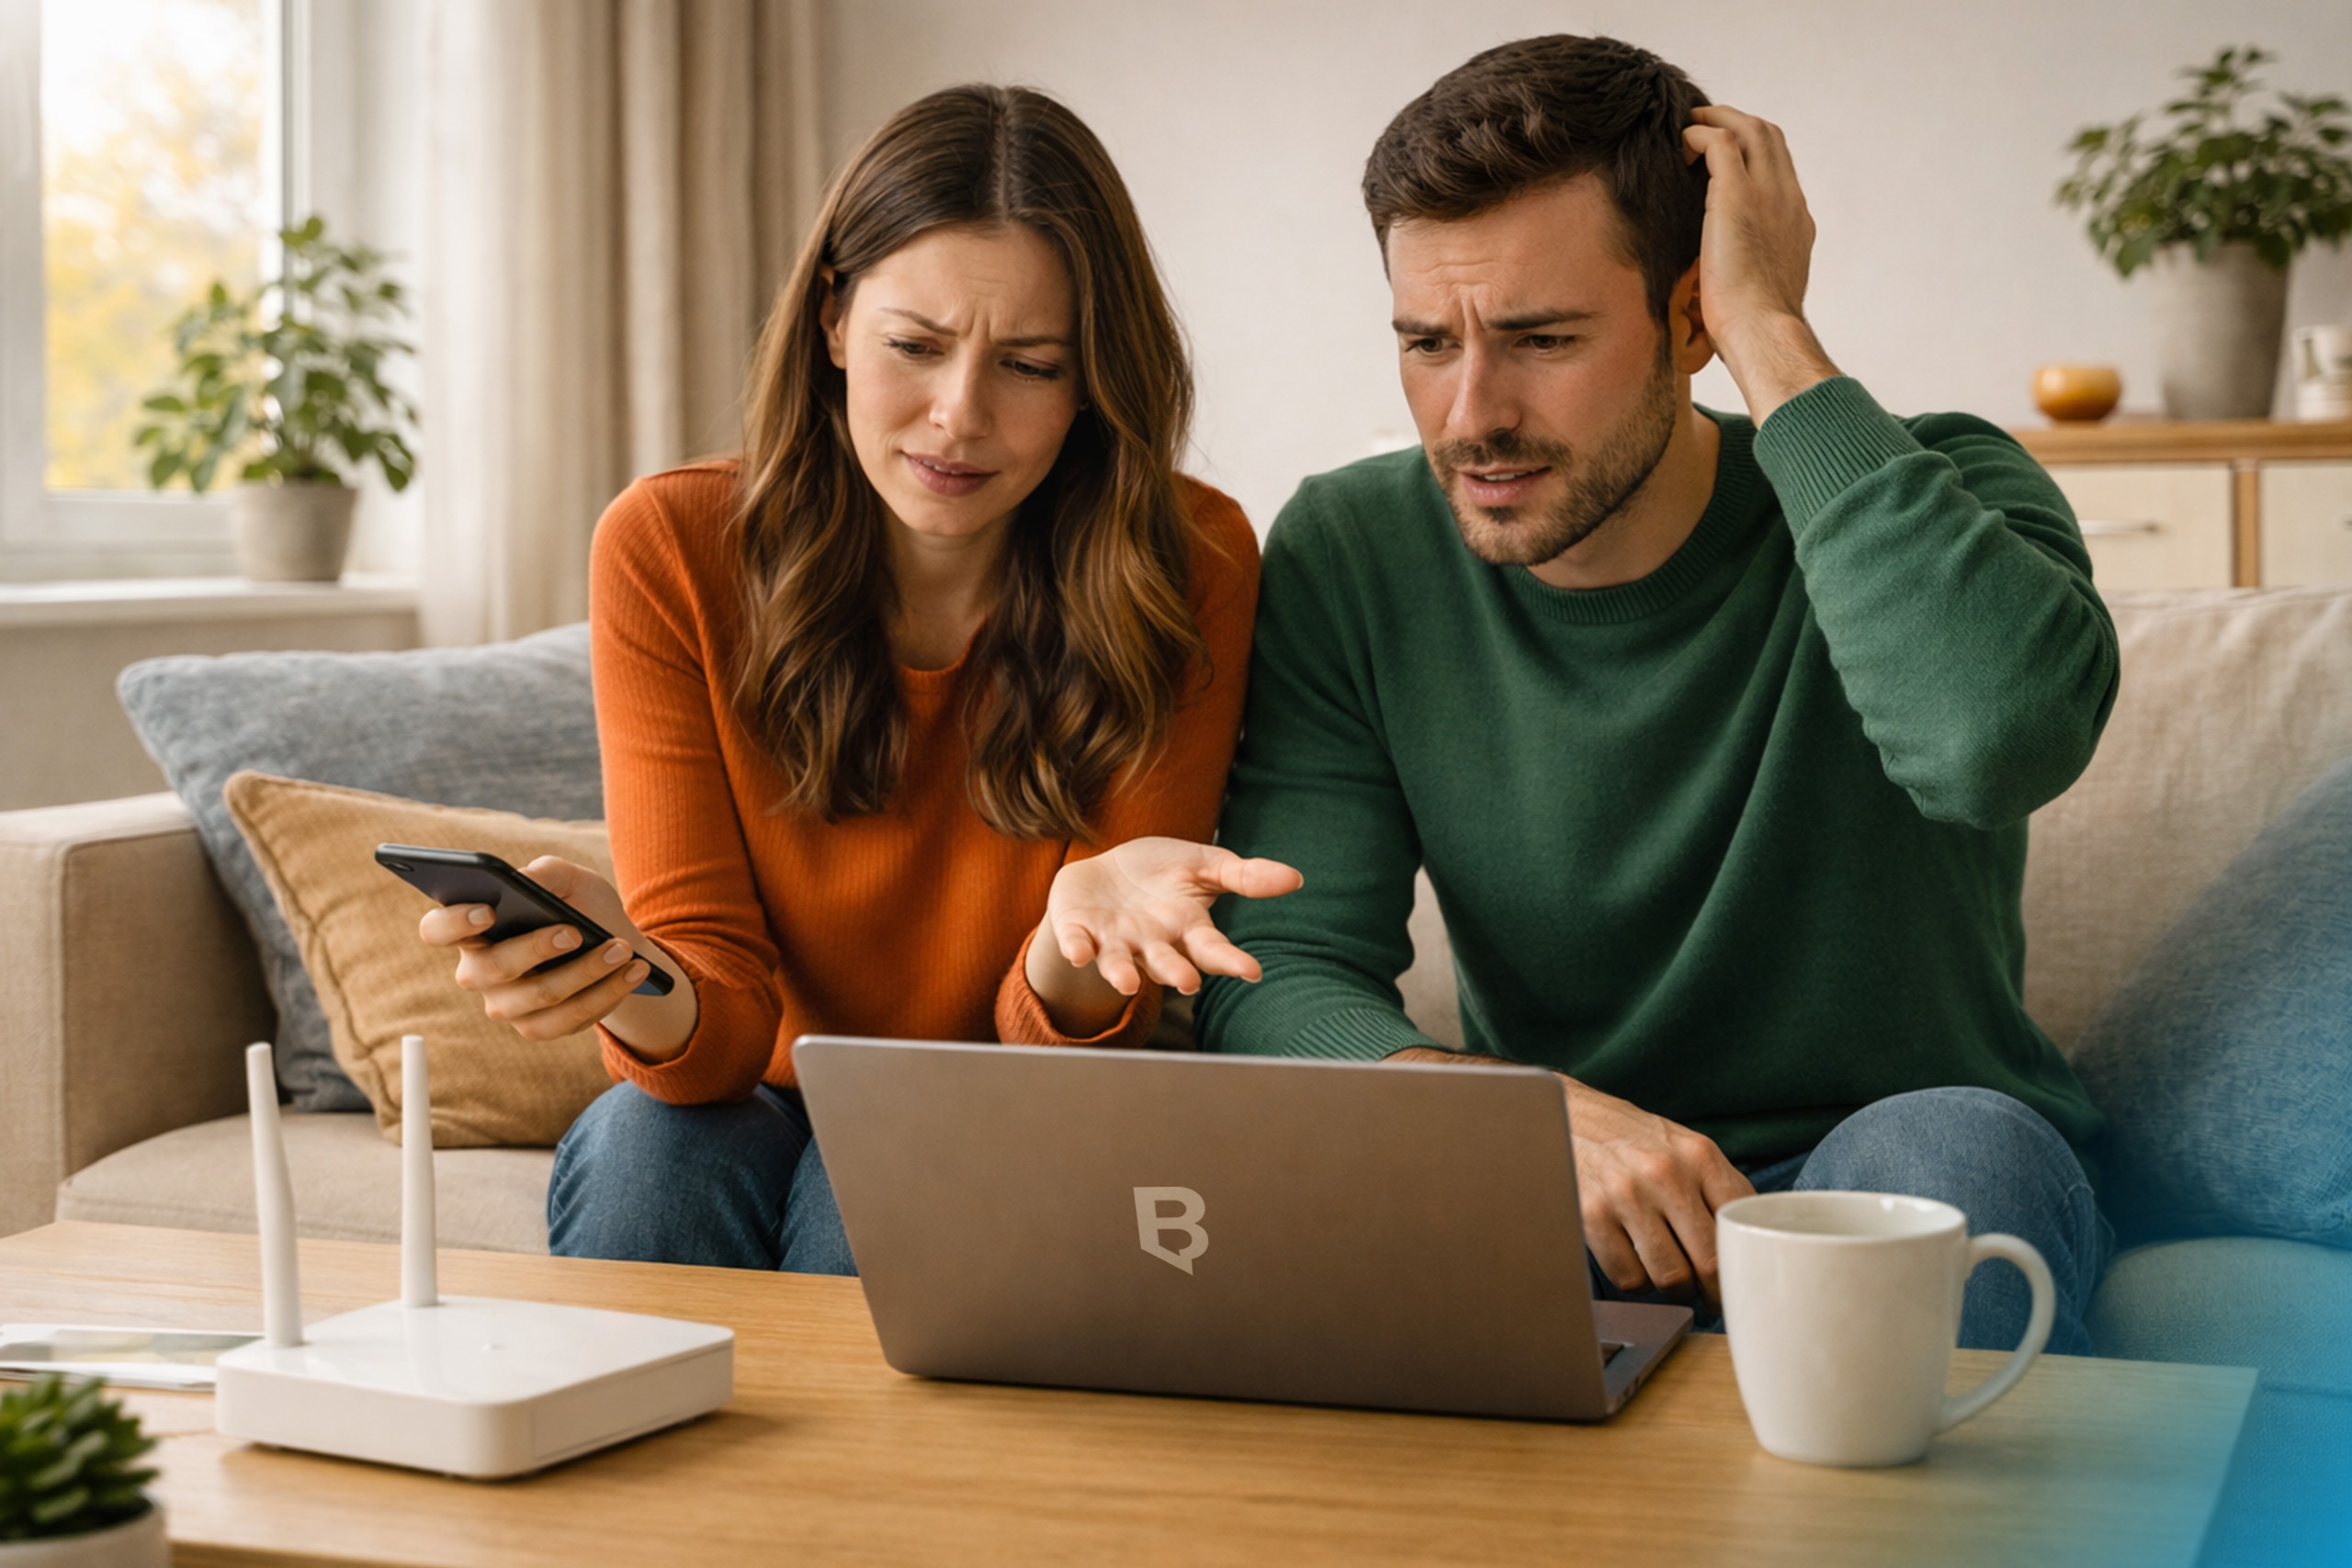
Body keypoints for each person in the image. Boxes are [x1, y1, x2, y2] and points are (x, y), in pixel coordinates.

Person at [1195, 35, 2116, 1355]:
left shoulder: (1942, 492)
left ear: (1690, 320)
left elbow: (1991, 742)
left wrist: (1775, 338)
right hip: (1561, 1190)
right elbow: (1279, 965)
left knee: (1955, 1143)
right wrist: (1516, 1117)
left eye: (1540, 339)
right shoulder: (1355, 552)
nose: (1469, 413)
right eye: (1424, 341)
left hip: (1900, 1173)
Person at [419, 85, 1298, 1275]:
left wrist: (1074, 943)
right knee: (645, 1155)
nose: (958, 417)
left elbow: (1074, 1044)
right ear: (833, 319)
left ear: (1091, 377)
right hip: (750, 1082)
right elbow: (715, 1032)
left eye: (1029, 364)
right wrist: (622, 969)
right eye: (915, 348)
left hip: (1012, 1086)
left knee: (872, 1206)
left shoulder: (1184, 561)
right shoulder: (671, 547)